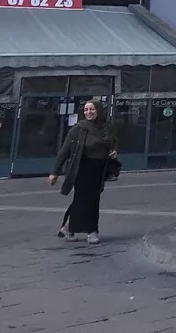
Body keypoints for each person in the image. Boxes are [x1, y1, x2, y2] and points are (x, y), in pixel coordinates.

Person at [49, 99, 118, 244]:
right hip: (82, 169)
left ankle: (68, 228)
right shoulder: (78, 129)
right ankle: (91, 231)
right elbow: (64, 151)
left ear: (98, 110)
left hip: (99, 170)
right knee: (85, 201)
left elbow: (113, 144)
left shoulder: (107, 127)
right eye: (86, 110)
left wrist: (114, 154)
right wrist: (55, 172)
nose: (89, 112)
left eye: (92, 109)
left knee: (89, 201)